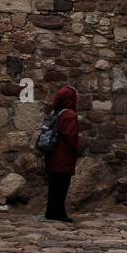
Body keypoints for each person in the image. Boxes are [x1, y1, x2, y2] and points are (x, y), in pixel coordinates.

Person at [43, 84, 80, 222]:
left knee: (53, 186)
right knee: (62, 185)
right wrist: (76, 148)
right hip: (63, 156)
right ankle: (59, 213)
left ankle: (51, 212)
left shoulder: (56, 112)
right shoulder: (69, 114)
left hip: (51, 154)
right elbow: (70, 136)